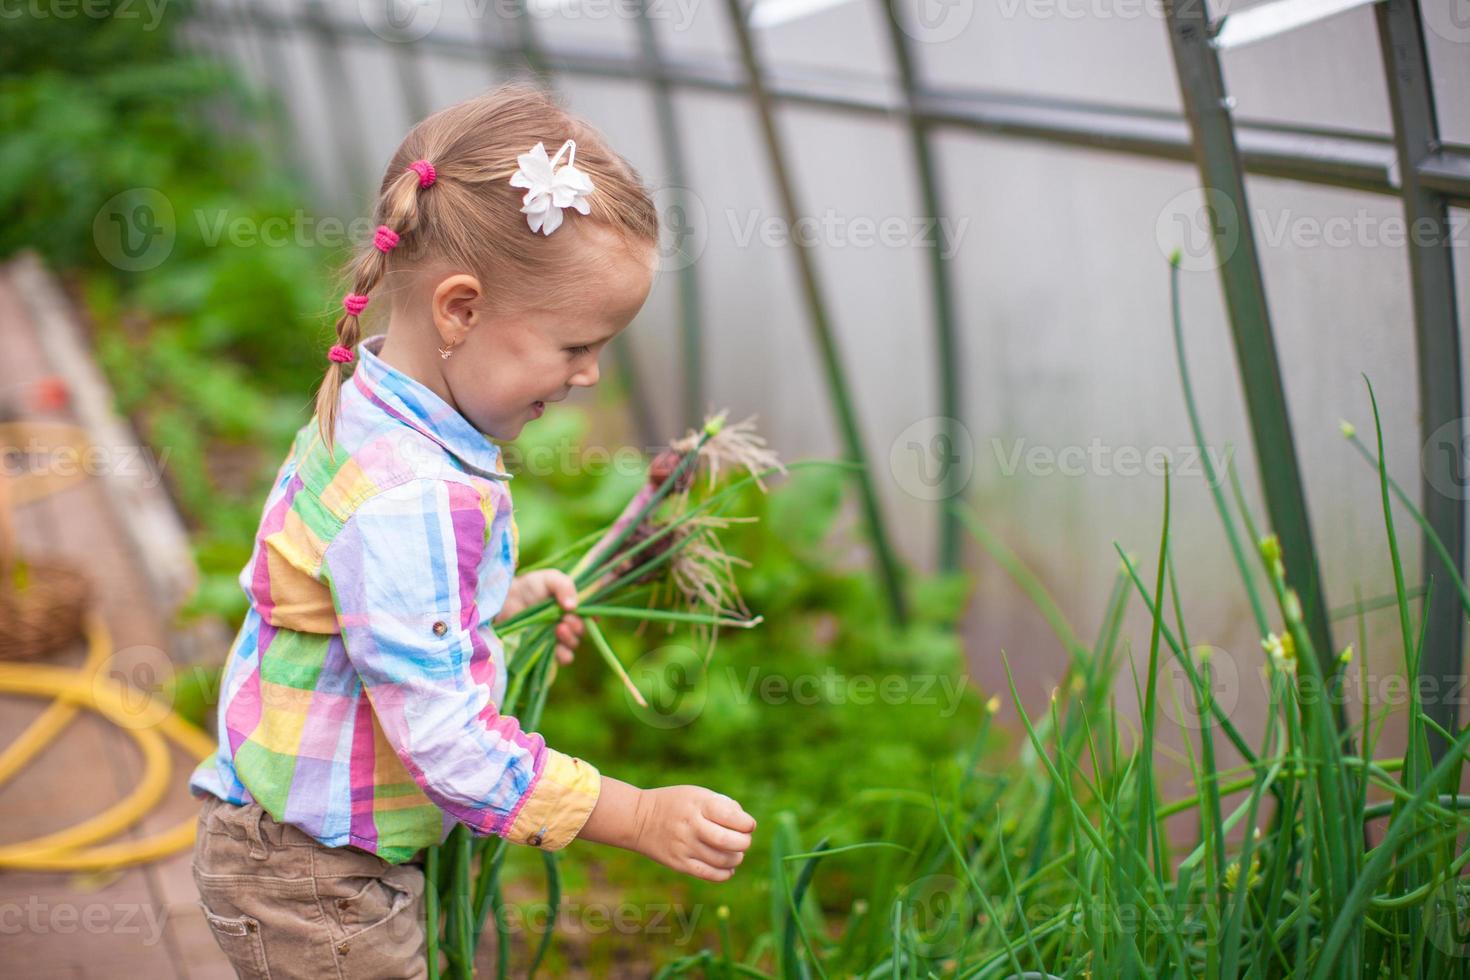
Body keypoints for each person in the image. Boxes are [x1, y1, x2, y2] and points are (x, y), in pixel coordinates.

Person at [188, 82, 756, 979]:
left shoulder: (373, 401)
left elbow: (363, 609)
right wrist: (636, 815)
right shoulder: (412, 498)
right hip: (314, 881)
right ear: (460, 308)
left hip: (299, 840)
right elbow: (447, 746)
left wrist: (500, 605)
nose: (590, 378)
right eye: (576, 347)